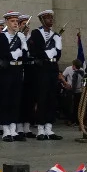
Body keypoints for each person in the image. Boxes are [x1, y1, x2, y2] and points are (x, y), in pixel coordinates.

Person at [27, 10, 63, 140]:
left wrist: (57, 48)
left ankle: (49, 127)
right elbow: (33, 50)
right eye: (48, 18)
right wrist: (46, 53)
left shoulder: (55, 35)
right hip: (42, 68)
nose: (51, 20)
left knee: (52, 98)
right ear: (42, 20)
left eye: (51, 18)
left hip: (53, 67)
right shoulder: (36, 33)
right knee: (42, 98)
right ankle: (41, 128)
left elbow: (58, 55)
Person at [0, 13, 24, 141]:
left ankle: (13, 128)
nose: (15, 23)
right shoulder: (1, 37)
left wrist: (20, 54)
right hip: (7, 70)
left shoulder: (20, 37)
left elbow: (26, 53)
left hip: (17, 69)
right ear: (6, 22)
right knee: (6, 99)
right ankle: (6, 130)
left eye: (16, 21)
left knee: (15, 100)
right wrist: (13, 54)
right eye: (12, 21)